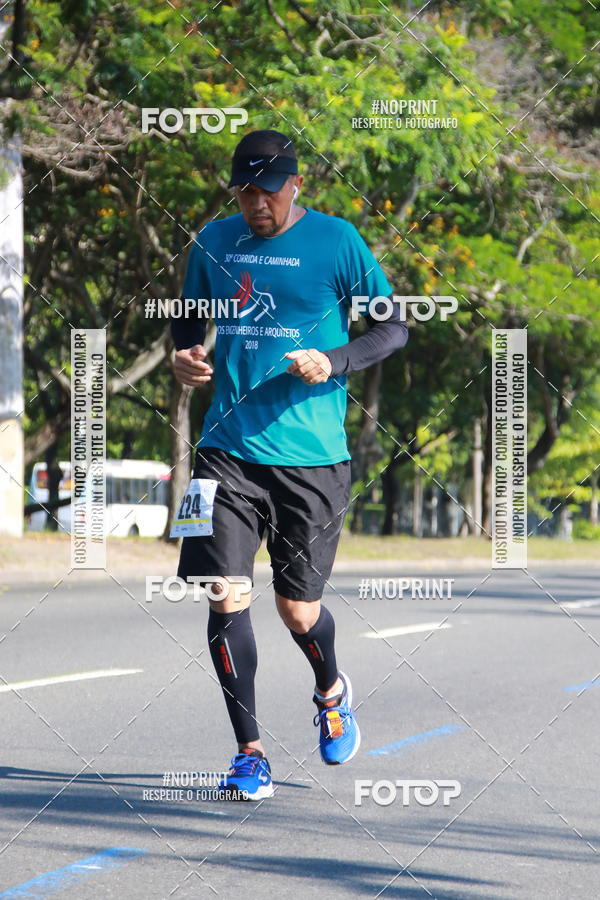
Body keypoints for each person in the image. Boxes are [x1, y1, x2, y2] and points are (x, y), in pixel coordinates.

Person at [171, 129, 408, 800]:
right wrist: (185, 354)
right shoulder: (213, 241)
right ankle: (249, 753)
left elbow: (393, 328)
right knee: (224, 591)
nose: (257, 204)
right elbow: (187, 318)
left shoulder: (337, 242)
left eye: (269, 192)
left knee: (298, 612)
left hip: (313, 460)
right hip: (226, 448)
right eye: (245, 192)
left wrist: (333, 361)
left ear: (296, 185)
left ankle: (330, 691)